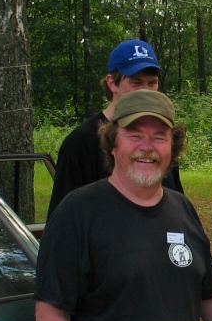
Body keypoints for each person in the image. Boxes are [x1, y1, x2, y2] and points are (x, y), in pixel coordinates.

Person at [35, 90, 212, 321]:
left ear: (173, 147)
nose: (147, 147)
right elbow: (52, 311)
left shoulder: (182, 208)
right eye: (134, 135)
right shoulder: (77, 212)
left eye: (159, 137)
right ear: (113, 143)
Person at [47, 38, 183, 215]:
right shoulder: (80, 142)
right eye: (136, 83)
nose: (145, 91)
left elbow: (176, 208)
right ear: (112, 82)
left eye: (152, 83)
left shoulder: (162, 140)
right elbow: (63, 217)